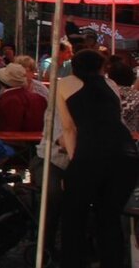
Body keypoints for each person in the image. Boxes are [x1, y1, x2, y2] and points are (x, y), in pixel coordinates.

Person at [57, 49, 139, 268]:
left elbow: (69, 128)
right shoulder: (110, 85)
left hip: (92, 152)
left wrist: (74, 166)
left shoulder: (64, 84)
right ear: (102, 68)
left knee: (74, 216)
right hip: (126, 154)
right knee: (109, 217)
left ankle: (74, 262)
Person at [0, 62, 46, 133]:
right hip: (38, 142)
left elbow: (6, 129)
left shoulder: (5, 100)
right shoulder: (40, 98)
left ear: (1, 82)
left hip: (11, 142)